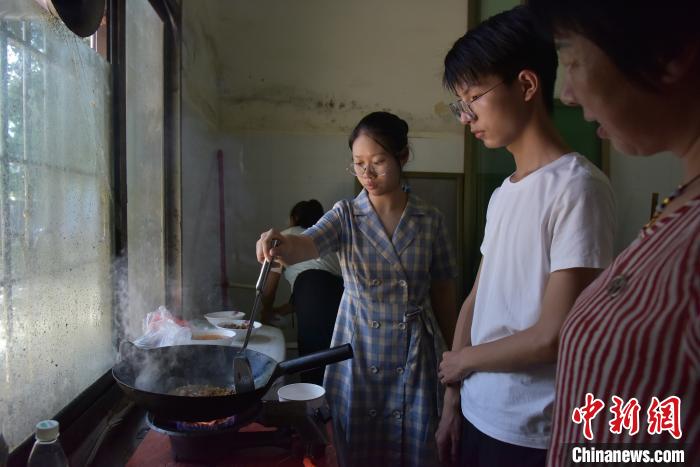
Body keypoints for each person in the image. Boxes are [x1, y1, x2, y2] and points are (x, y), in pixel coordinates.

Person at [434, 6, 615, 466]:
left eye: (473, 98)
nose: (465, 117)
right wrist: (453, 399)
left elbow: (555, 335)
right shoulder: (502, 194)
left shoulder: (578, 186)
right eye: (461, 104)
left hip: (529, 431)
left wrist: (463, 362)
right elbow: (477, 296)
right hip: (476, 410)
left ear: (527, 85)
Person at [525, 1, 700, 465]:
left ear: (669, 52)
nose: (566, 94)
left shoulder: (578, 185)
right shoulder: (680, 207)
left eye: (570, 58)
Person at [256, 111, 458, 466]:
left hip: (415, 352)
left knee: (416, 446)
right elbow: (308, 244)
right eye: (358, 163)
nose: (368, 173)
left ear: (403, 156)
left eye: (378, 162)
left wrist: (456, 354)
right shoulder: (346, 215)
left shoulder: (431, 220)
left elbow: (443, 291)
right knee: (360, 448)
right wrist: (280, 243)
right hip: (360, 351)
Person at [261, 199, 344, 385]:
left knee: (312, 357)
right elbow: (313, 296)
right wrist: (278, 311)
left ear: (294, 218)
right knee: (334, 355)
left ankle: (312, 406)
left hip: (310, 291)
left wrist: (266, 310)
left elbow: (269, 289)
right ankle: (331, 407)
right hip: (339, 296)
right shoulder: (325, 241)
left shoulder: (284, 238)